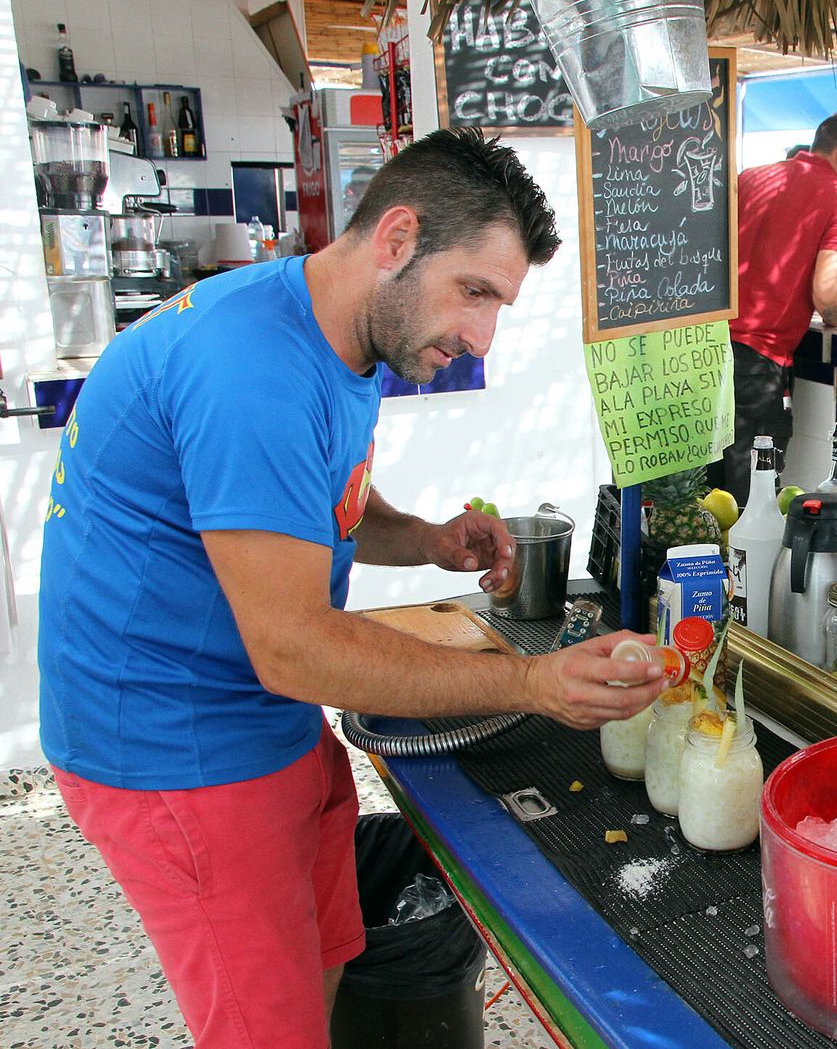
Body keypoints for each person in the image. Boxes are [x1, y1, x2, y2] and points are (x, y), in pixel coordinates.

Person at [37, 129, 670, 1049]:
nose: (479, 336)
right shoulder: (248, 367)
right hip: (176, 750)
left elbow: (307, 497)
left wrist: (421, 538)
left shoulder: (340, 336)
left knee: (328, 961)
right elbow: (294, 645)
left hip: (265, 717)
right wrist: (532, 685)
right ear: (399, 237)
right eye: (476, 292)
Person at [714, 110, 837, 505]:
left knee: (705, 483)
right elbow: (826, 290)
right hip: (757, 357)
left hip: (703, 345)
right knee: (747, 496)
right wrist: (836, 314)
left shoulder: (752, 178)